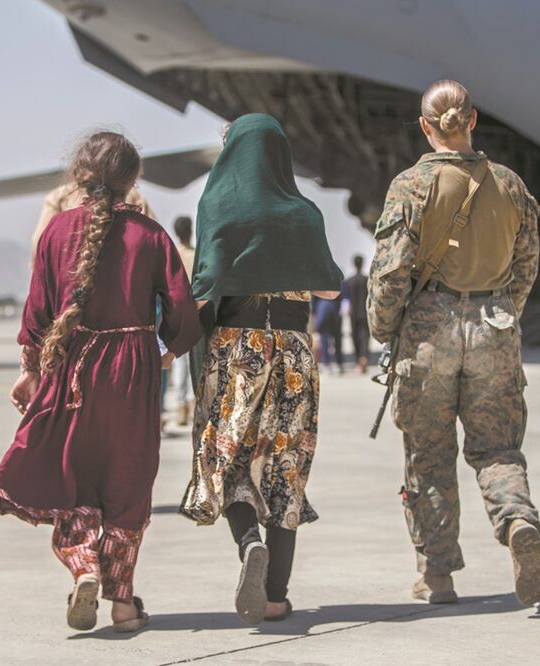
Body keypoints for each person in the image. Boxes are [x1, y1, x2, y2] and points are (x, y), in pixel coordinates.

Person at [0, 132, 200, 633]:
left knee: (71, 474)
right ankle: (122, 602)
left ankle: (83, 567)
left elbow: (37, 313)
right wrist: (165, 351)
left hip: (71, 365)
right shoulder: (150, 236)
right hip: (131, 369)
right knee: (127, 479)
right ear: (133, 179)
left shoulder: (57, 232)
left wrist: (30, 370)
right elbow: (184, 314)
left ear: (78, 175)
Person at [367, 80, 540, 607]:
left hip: (429, 333)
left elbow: (391, 271)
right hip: (494, 328)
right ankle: (517, 522)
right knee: (497, 448)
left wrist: (385, 328)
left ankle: (438, 574)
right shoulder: (510, 185)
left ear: (426, 126)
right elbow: (527, 265)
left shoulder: (410, 186)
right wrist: (501, 310)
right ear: (472, 120)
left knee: (428, 455)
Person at [179, 113, 343, 625]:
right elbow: (331, 289)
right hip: (293, 350)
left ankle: (249, 541)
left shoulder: (218, 204)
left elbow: (205, 288)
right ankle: (275, 596)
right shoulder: (304, 212)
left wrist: (173, 343)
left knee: (225, 455)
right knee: (284, 469)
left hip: (237, 350)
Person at [29, 181, 155, 266]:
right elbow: (155, 244)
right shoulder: (132, 196)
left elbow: (39, 245)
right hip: (128, 293)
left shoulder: (59, 196)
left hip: (70, 295)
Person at [170, 215, 197, 426]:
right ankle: (190, 403)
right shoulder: (197, 255)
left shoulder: (173, 255)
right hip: (198, 314)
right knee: (194, 362)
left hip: (177, 314)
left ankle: (181, 406)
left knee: (180, 362)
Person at [342, 254, 371, 373]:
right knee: (365, 336)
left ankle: (358, 359)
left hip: (353, 313)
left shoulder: (349, 281)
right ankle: (364, 357)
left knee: (355, 336)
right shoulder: (367, 280)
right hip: (365, 312)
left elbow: (345, 299)